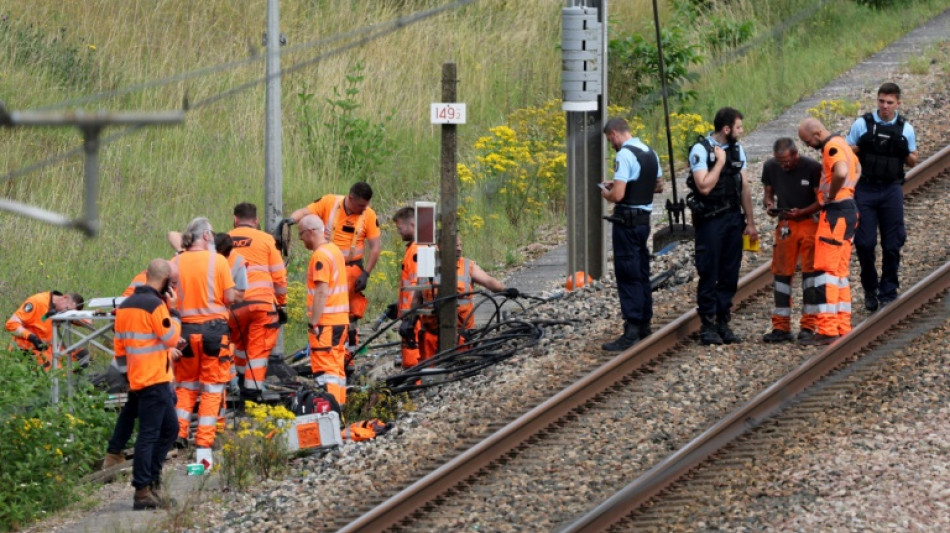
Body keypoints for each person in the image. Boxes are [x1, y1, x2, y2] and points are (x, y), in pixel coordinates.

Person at [111, 259, 181, 510]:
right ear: (163, 282)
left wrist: (128, 376)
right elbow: (171, 338)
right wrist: (173, 311)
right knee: (150, 435)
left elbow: (118, 347)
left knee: (169, 430)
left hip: (139, 379)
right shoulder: (156, 306)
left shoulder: (126, 305)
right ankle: (143, 491)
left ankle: (151, 481)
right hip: (155, 380)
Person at [687, 107, 758, 345]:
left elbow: (744, 187)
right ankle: (707, 325)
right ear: (726, 129)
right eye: (738, 127)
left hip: (732, 218)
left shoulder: (738, 150)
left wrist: (750, 221)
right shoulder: (701, 151)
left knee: (729, 272)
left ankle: (723, 321)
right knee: (709, 271)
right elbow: (704, 186)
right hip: (710, 220)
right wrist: (719, 163)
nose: (741, 131)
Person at [846, 82, 918, 311]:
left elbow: (913, 160)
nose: (884, 106)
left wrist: (903, 150)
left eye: (889, 102)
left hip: (890, 189)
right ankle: (870, 288)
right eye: (881, 101)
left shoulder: (905, 128)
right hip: (865, 189)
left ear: (898, 103)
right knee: (865, 243)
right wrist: (861, 145)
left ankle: (888, 288)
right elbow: (845, 154)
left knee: (893, 243)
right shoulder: (862, 124)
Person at [170, 217, 237, 456]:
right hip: (214, 332)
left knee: (185, 385)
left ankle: (178, 433)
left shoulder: (175, 262)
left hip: (185, 332)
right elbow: (229, 297)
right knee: (212, 387)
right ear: (207, 236)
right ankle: (204, 442)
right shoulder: (218, 261)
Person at [290, 182, 381, 352]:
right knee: (326, 308)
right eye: (361, 205)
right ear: (351, 198)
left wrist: (366, 273)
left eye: (366, 205)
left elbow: (375, 247)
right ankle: (328, 346)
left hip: (353, 269)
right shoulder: (329, 203)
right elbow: (303, 213)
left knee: (351, 313)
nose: (364, 209)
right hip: (329, 266)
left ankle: (350, 354)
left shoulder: (368, 214)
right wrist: (288, 222)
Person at [600, 116, 662, 351]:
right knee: (641, 270)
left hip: (626, 222)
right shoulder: (649, 152)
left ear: (615, 134)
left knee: (627, 272)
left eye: (609, 140)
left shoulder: (624, 155)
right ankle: (645, 323)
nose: (611, 144)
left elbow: (618, 196)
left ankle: (632, 328)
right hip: (644, 221)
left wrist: (607, 192)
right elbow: (659, 185)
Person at [798, 117, 860, 345]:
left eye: (807, 141)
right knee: (840, 273)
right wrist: (848, 191)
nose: (807, 146)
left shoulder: (831, 147)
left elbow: (842, 171)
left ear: (816, 133)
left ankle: (826, 329)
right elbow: (857, 168)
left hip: (835, 213)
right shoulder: (843, 143)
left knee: (826, 272)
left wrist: (832, 195)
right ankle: (842, 325)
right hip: (849, 209)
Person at [409, 236, 517, 362]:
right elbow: (417, 298)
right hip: (431, 335)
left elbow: (488, 281)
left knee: (459, 368)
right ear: (440, 246)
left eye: (460, 245)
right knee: (429, 373)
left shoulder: (467, 265)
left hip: (461, 334)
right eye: (455, 246)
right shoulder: (427, 264)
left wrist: (505, 290)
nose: (459, 249)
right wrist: (410, 322)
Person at [761, 138, 822, 343]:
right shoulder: (771, 167)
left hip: (808, 224)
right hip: (786, 224)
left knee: (810, 275)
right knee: (781, 274)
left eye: (786, 161)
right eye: (780, 162)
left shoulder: (812, 168)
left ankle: (808, 325)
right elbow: (768, 192)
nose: (783, 166)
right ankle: (781, 326)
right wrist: (769, 204)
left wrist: (802, 212)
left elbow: (821, 200)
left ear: (796, 154)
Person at [228, 202, 288, 393]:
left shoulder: (225, 240)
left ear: (235, 220)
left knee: (238, 345)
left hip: (234, 305)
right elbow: (279, 277)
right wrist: (281, 305)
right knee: (258, 349)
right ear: (256, 220)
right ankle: (252, 391)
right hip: (262, 305)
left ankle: (237, 381)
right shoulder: (266, 240)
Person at [298, 214, 350, 405]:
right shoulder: (334, 250)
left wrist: (314, 321)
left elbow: (321, 290)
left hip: (326, 323)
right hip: (340, 321)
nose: (300, 239)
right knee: (336, 370)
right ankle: (339, 410)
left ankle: (329, 413)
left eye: (301, 234)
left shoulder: (320, 255)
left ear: (310, 232)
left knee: (325, 371)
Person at [6, 290, 85, 370]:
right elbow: (11, 324)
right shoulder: (38, 301)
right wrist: (31, 337)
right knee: (53, 370)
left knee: (80, 355)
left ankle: (80, 379)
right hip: (26, 349)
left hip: (45, 348)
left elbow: (88, 320)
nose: (65, 313)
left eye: (69, 312)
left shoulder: (59, 310)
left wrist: (77, 316)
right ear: (65, 298)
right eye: (67, 309)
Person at [392, 206, 421, 368]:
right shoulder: (412, 249)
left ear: (412, 224)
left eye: (400, 228)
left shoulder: (418, 250)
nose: (399, 232)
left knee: (413, 359)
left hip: (415, 317)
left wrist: (411, 317)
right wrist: (398, 307)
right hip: (411, 314)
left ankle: (415, 386)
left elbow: (419, 286)